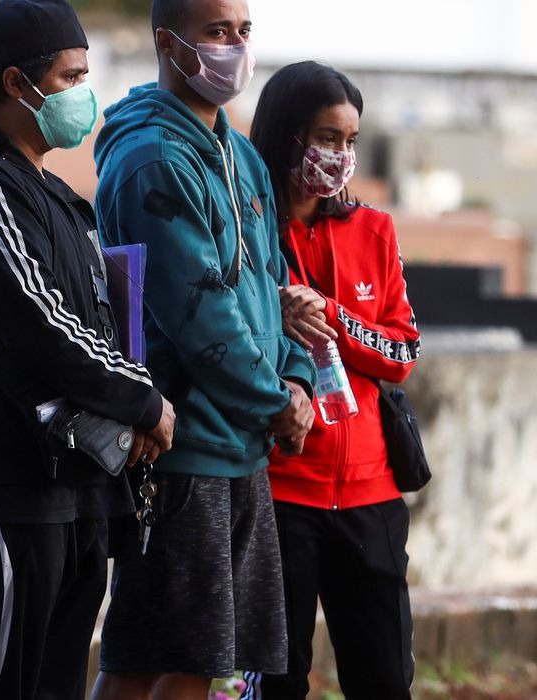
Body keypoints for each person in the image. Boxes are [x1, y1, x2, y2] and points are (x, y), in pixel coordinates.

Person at [0, 1, 176, 698]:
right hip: (3, 479)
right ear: (16, 84)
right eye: (70, 77)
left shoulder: (54, 193)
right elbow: (41, 322)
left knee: (56, 681)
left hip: (72, 483)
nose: (83, 94)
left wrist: (127, 416)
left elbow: (94, 325)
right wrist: (143, 400)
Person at [88, 1, 317, 698]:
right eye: (218, 32)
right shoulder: (153, 161)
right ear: (169, 43)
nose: (235, 48)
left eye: (243, 32)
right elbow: (201, 315)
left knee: (195, 654)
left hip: (238, 444)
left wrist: (299, 376)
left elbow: (274, 284)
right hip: (182, 449)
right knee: (158, 658)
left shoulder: (237, 152)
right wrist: (277, 401)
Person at [247, 61, 421, 699]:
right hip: (280, 492)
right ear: (288, 135)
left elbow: (402, 350)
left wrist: (333, 319)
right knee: (278, 682)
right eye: (327, 137)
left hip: (371, 497)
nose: (340, 155)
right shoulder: (248, 230)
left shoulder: (374, 229)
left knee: (383, 681)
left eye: (350, 141)